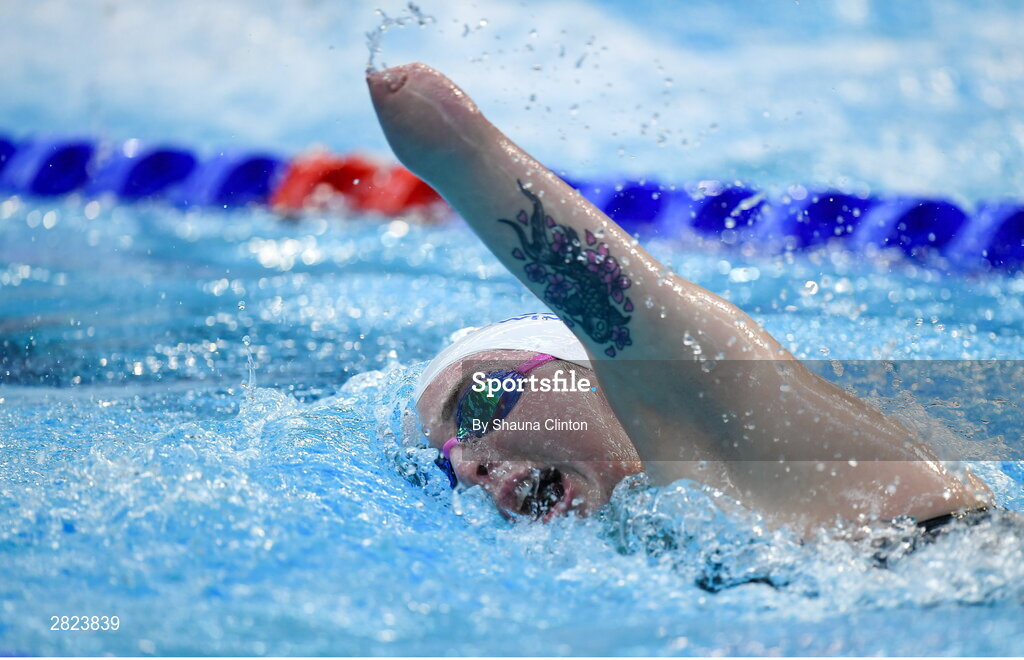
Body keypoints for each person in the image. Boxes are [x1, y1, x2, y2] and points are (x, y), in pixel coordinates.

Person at [367, 63, 991, 536]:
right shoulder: (670, 544)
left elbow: (602, 289)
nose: (469, 465)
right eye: (446, 464)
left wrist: (454, 153)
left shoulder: (753, 426)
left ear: (594, 368)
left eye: (479, 406)